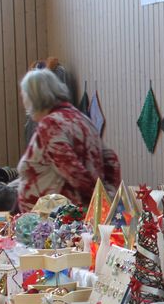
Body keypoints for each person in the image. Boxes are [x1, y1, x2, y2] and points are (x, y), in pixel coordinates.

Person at [17, 68, 121, 212]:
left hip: (62, 219)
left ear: (33, 99)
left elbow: (73, 171)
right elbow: (111, 159)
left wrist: (103, 202)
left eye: (24, 96)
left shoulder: (50, 125)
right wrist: (110, 194)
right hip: (83, 213)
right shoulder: (81, 118)